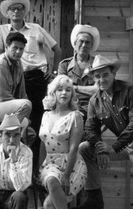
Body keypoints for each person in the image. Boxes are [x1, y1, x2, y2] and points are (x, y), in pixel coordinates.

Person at [0, 0, 62, 170]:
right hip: (12, 80)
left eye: (19, 8)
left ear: (24, 11)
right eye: (13, 8)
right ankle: (11, 168)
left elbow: (57, 49)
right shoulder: (1, 30)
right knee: (13, 124)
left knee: (37, 125)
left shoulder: (35, 29)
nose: (16, 11)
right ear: (8, 12)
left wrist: (53, 73)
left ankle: (34, 170)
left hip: (35, 80)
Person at [78, 54, 133, 209]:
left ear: (114, 74)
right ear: (93, 79)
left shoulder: (131, 90)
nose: (101, 80)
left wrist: (112, 147)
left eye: (105, 75)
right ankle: (94, 198)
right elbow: (90, 130)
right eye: (97, 77)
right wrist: (100, 149)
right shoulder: (94, 101)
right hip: (124, 145)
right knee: (85, 148)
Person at [38, 75, 87, 209]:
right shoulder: (46, 115)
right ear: (53, 92)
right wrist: (39, 168)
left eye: (68, 90)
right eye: (60, 89)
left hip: (72, 166)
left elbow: (74, 148)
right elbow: (43, 143)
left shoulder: (75, 116)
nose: (64, 93)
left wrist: (66, 176)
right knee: (52, 180)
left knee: (48, 204)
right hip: (50, 164)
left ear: (72, 94)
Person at [58, 24, 100, 122]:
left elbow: (98, 90)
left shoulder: (98, 64)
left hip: (93, 107)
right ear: (75, 43)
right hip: (69, 105)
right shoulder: (64, 65)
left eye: (87, 42)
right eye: (81, 41)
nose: (84, 45)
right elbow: (62, 90)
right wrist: (88, 90)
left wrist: (75, 88)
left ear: (91, 45)